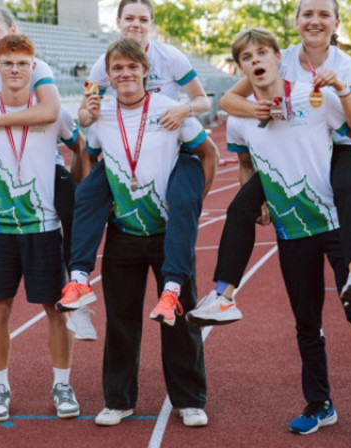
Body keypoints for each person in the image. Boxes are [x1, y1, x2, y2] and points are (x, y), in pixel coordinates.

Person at [225, 27, 351, 446]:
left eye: (262, 53)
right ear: (243, 66)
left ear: (276, 58)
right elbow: (245, 162)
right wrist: (260, 200)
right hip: (293, 229)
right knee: (307, 323)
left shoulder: (313, 95)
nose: (256, 60)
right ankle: (319, 403)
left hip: (336, 222)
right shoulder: (244, 113)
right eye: (248, 57)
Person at [187, 0, 351, 325]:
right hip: (292, 153)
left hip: (337, 147)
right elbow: (231, 100)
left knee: (350, 187)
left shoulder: (346, 65)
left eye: (323, 15)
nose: (315, 21)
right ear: (296, 20)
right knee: (238, 208)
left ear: (336, 23)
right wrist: (257, 110)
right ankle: (223, 296)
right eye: (307, 14)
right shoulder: (282, 57)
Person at [57, 0, 217, 333]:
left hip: (168, 136)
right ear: (117, 21)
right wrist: (90, 114)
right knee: (86, 193)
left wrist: (184, 111)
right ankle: (78, 279)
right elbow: (88, 116)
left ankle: (173, 291)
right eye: (129, 17)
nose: (136, 24)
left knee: (183, 199)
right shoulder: (103, 64)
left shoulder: (170, 57)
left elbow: (203, 101)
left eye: (143, 19)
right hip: (121, 140)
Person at [79, 38, 215, 427]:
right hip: (124, 232)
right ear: (109, 74)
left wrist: (192, 201)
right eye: (116, 68)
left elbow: (207, 153)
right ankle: (118, 399)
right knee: (121, 320)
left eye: (131, 67)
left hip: (168, 233)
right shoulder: (101, 113)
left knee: (179, 316)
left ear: (144, 71)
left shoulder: (172, 109)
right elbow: (90, 157)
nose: (124, 74)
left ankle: (189, 399)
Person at [0, 33, 80, 422]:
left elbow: (81, 146)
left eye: (22, 63)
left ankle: (62, 384)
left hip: (44, 225)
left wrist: (67, 187)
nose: (14, 69)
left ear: (33, 66)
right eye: (7, 63)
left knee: (56, 309)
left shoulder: (52, 110)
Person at [0, 7, 84, 330]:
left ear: (13, 29)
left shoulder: (34, 66)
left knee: (74, 208)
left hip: (43, 165)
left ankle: (76, 287)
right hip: (0, 171)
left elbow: (49, 110)